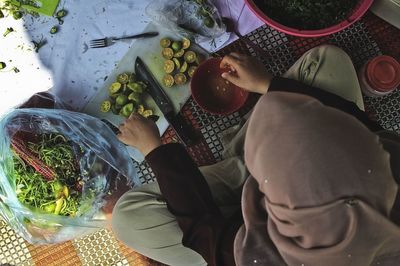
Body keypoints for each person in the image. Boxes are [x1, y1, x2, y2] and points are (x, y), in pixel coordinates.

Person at [112, 45, 400, 265]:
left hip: (231, 239)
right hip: (292, 189)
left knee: (129, 217)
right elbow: (356, 121)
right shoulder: (389, 156)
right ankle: (255, 154)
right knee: (328, 60)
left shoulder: (271, 259)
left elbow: (206, 235)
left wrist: (155, 151)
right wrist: (267, 84)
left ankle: (243, 164)